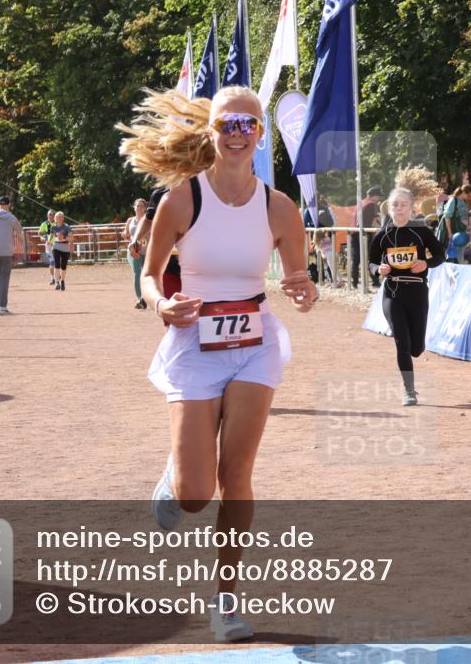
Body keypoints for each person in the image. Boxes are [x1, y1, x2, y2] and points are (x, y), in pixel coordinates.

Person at [118, 84, 316, 642]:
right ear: (211, 130)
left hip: (255, 340)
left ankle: (226, 601)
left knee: (237, 477)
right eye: (228, 123)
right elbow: (151, 274)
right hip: (194, 343)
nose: (237, 133)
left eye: (248, 125)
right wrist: (161, 304)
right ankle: (176, 472)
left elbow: (296, 278)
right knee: (194, 494)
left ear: (260, 134)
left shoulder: (280, 207)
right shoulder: (182, 200)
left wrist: (302, 290)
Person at [368, 188, 445, 405]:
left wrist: (426, 263)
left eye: (403, 204)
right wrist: (378, 269)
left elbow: (440, 255)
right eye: (395, 205)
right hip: (393, 292)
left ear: (412, 208)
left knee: (416, 349)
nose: (399, 208)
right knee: (402, 342)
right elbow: (371, 263)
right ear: (389, 208)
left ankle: (414, 356)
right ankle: (409, 391)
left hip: (418, 292)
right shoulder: (383, 235)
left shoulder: (421, 231)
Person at [350, 187, 383, 288]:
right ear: (374, 196)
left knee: (356, 260)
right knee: (372, 258)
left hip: (354, 232)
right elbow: (378, 220)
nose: (379, 199)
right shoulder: (372, 205)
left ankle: (354, 282)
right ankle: (375, 281)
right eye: (378, 196)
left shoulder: (360, 203)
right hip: (365, 233)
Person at [121, 198, 148, 308]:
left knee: (146, 275)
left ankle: (146, 297)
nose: (139, 208)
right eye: (137, 205)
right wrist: (124, 234)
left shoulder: (149, 220)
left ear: (145, 208)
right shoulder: (130, 220)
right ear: (134, 207)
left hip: (147, 251)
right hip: (134, 251)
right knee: (137, 273)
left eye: (142, 206)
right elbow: (126, 233)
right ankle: (140, 299)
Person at [440, 184, 471, 263]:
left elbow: (461, 214)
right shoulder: (453, 200)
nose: (470, 198)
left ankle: (459, 265)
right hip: (451, 229)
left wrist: (468, 214)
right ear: (464, 193)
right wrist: (450, 233)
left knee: (460, 252)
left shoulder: (464, 201)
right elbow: (447, 217)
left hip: (460, 231)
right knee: (449, 252)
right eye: (469, 196)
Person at [50, 211, 72, 290]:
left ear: (62, 218)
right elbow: (51, 238)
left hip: (65, 248)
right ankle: (57, 282)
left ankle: (62, 281)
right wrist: (49, 241)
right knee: (57, 264)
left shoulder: (67, 227)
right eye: (55, 217)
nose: (56, 218)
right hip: (56, 247)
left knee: (63, 266)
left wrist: (64, 238)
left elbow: (71, 238)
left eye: (58, 217)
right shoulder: (53, 227)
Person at [38, 209, 56, 285]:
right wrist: (42, 237)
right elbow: (40, 233)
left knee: (58, 262)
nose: (51, 216)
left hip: (57, 245)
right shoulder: (45, 224)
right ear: (47, 215)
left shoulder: (57, 223)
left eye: (52, 214)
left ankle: (57, 276)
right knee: (52, 262)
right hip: (48, 246)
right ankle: (52, 278)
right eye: (50, 214)